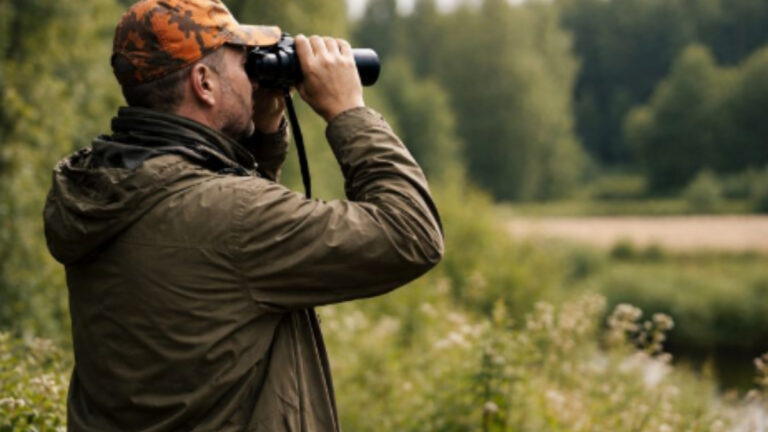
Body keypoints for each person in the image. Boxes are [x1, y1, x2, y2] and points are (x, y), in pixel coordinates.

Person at [42, 0, 444, 430]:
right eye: (243, 61)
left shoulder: (106, 189)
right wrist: (348, 112)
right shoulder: (231, 216)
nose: (253, 75)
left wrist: (263, 135)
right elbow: (411, 233)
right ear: (205, 83)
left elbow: (224, 263)